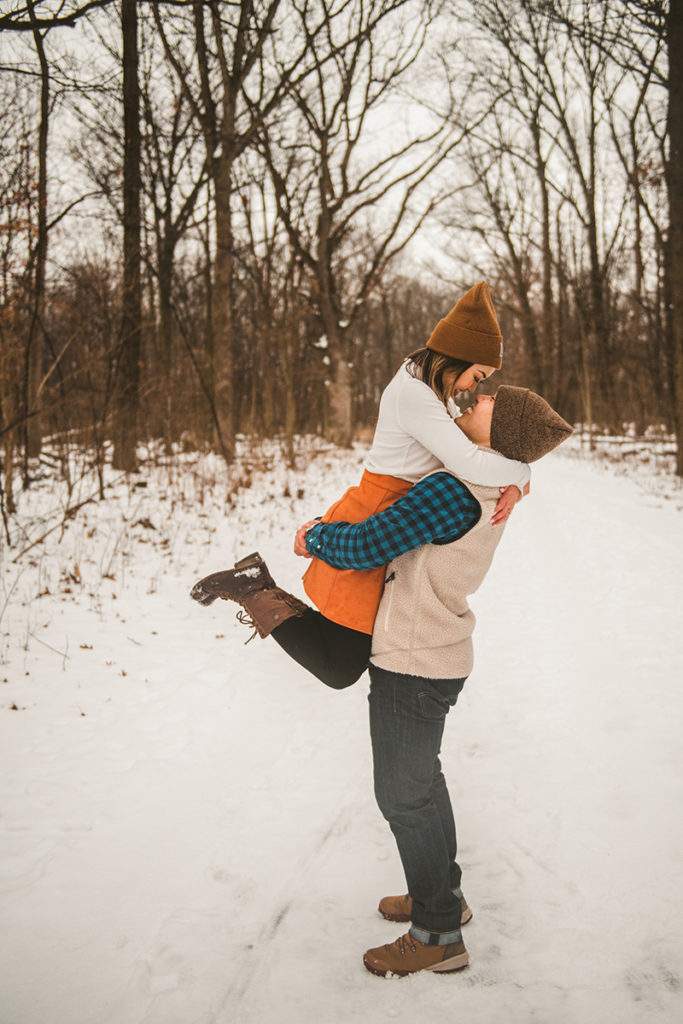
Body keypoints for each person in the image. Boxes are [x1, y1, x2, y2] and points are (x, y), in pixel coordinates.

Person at [286, 386, 573, 978]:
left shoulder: (451, 489)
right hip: (437, 652)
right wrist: (524, 476)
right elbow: (511, 462)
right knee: (424, 784)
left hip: (414, 661)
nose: (480, 396)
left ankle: (437, 934)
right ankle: (443, 899)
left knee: (403, 796)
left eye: (493, 401)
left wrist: (313, 535)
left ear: (503, 433)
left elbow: (367, 544)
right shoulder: (489, 477)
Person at [191, 282, 530, 688]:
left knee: (343, 648)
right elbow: (468, 461)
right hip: (376, 514)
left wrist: (520, 475)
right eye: (478, 375)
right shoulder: (415, 395)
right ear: (458, 355)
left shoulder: (432, 391)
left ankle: (256, 586)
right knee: (343, 665)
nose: (473, 388)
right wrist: (522, 475)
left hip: (394, 513)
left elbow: (479, 453)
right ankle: (254, 589)